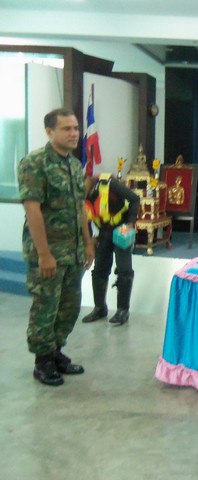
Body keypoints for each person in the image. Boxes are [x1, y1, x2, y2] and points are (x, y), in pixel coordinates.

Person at [18, 108, 95, 387]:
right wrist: (44, 254)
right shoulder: (34, 163)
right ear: (50, 131)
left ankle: (55, 351)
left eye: (75, 128)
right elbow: (33, 211)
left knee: (69, 307)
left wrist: (87, 242)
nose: (74, 133)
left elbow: (80, 208)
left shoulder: (74, 165)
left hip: (73, 252)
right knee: (46, 307)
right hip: (48, 253)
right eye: (66, 129)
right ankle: (42, 361)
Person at [81, 173, 141, 325]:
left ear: (88, 181)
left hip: (122, 228)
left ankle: (123, 310)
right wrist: (90, 241)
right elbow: (86, 220)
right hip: (104, 232)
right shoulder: (81, 199)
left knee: (124, 270)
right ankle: (100, 308)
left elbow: (135, 199)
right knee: (99, 270)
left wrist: (130, 223)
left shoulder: (109, 184)